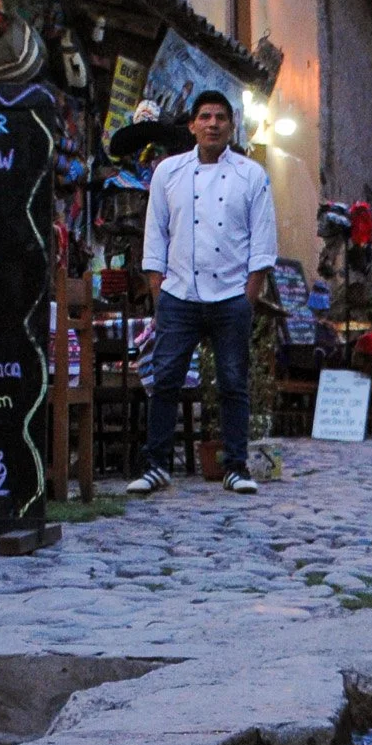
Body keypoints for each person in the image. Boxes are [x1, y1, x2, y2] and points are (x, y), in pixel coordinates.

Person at [127, 90, 276, 496]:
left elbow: (262, 245)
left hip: (231, 296)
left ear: (232, 126)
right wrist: (159, 289)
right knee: (165, 380)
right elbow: (154, 234)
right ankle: (157, 465)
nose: (213, 124)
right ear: (191, 125)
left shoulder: (251, 175)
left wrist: (248, 296)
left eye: (221, 118)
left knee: (233, 382)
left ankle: (236, 467)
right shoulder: (168, 173)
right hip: (179, 294)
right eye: (205, 117)